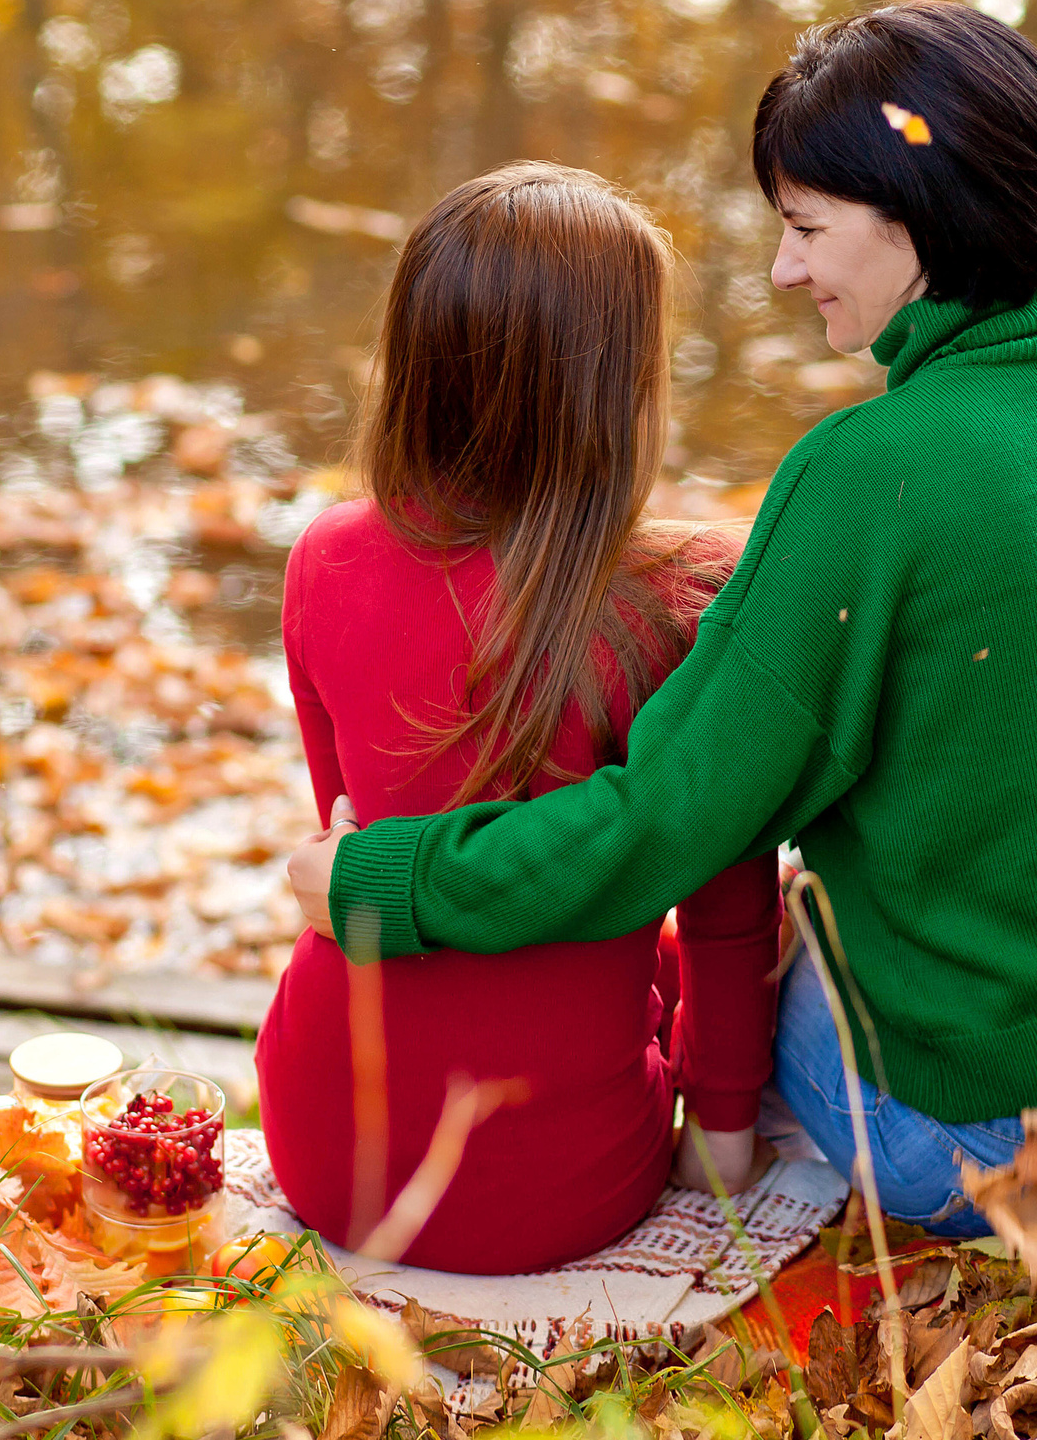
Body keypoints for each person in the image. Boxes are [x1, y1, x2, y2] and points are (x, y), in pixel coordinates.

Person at [287, 2, 1037, 1235]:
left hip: (1000, 1148)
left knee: (768, 947)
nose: (783, 268)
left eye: (807, 226)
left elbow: (666, 826)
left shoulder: (867, 473)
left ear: (920, 211)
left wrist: (380, 881)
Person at [255, 161, 781, 1275]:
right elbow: (728, 908)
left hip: (321, 1148)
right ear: (619, 387)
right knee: (752, 925)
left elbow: (346, 840)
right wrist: (721, 1134)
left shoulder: (321, 559)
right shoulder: (683, 595)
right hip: (559, 1190)